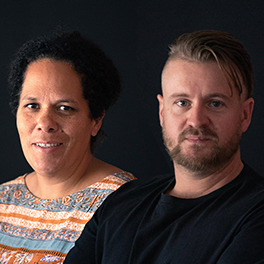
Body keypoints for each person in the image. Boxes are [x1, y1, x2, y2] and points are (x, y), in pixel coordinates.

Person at [64, 30, 264, 263]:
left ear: (245, 114)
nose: (197, 120)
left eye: (215, 103)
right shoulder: (122, 203)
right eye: (182, 102)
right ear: (162, 112)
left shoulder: (256, 214)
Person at [0, 30, 135, 264]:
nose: (44, 123)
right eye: (32, 105)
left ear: (96, 119)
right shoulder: (3, 199)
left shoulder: (124, 205)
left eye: (64, 108)